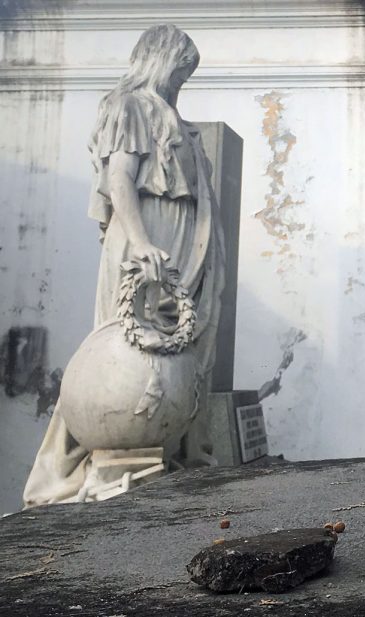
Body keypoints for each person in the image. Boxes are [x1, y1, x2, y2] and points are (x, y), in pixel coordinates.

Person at [23, 25, 224, 506]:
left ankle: (173, 449)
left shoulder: (171, 115)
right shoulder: (128, 105)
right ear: (160, 61)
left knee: (183, 343)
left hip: (181, 237)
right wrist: (139, 242)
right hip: (147, 232)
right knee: (127, 344)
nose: (181, 83)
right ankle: (98, 450)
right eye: (180, 71)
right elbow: (120, 180)